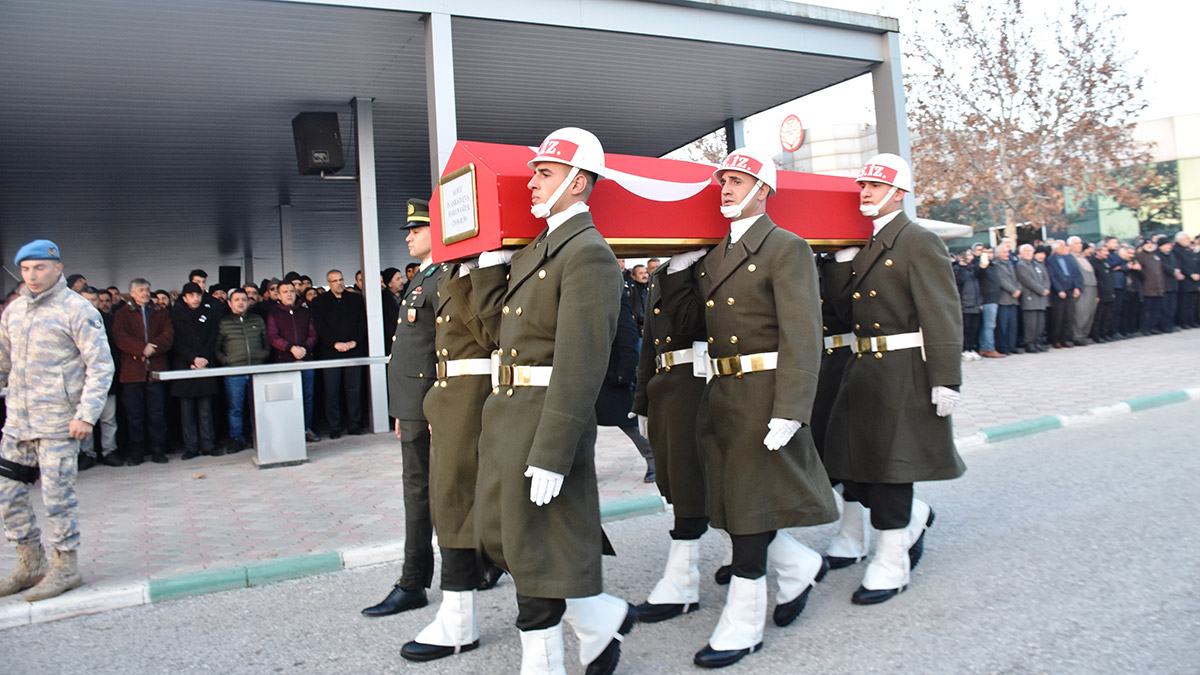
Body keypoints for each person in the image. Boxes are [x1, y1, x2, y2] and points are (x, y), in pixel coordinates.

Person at [469, 128, 634, 674]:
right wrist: (489, 264)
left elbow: (582, 362)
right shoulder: (537, 249)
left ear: (578, 182)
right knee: (513, 538)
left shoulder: (587, 254)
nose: (531, 182)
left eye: (544, 173)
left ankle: (543, 661)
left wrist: (554, 448)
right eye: (535, 171)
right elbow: (499, 333)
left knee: (533, 544)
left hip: (544, 417)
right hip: (509, 414)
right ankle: (597, 620)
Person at [663, 147, 836, 667]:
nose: (727, 188)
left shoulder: (786, 248)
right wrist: (677, 267)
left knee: (747, 508)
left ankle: (742, 624)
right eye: (724, 181)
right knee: (736, 501)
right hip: (722, 393)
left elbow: (803, 334)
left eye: (738, 180)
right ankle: (799, 564)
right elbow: (687, 325)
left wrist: (792, 407)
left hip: (764, 393)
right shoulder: (716, 254)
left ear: (763, 191)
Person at [824, 153, 963, 607]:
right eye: (862, 186)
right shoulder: (867, 245)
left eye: (875, 187)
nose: (865, 192)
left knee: (891, 469)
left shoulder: (917, 241)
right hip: (864, 370)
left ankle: (891, 562)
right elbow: (847, 313)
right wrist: (842, 264)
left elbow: (940, 312)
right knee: (851, 463)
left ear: (898, 193)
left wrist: (946, 377)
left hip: (904, 371)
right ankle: (913, 517)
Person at [398, 245, 506, 663]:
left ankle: (592, 611)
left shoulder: (485, 269)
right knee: (451, 506)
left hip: (474, 399)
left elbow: (490, 334)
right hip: (448, 401)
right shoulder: (449, 271)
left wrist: (478, 270)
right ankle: (457, 615)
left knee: (465, 507)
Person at [0, 239, 113, 601]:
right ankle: (30, 562)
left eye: (39, 268)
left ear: (57, 268)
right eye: (26, 269)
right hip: (18, 424)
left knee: (56, 498)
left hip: (59, 425)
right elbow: (4, 364)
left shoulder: (77, 310)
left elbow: (100, 366)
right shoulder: (13, 312)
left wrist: (86, 415)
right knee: (8, 494)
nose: (32, 275)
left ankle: (65, 567)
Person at [364, 199, 443, 617]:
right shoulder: (421, 278)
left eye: (417, 229)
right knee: (425, 491)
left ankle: (413, 581)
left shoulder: (443, 277)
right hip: (413, 406)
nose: (409, 236)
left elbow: (445, 348)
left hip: (429, 405)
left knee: (426, 492)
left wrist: (432, 405)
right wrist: (402, 408)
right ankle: (484, 563)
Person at [630, 258, 714, 625]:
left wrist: (682, 269)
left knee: (690, 485)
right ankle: (793, 560)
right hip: (668, 387)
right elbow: (650, 338)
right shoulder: (665, 271)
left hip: (697, 385)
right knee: (682, 483)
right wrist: (643, 402)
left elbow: (689, 323)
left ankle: (682, 582)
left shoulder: (705, 264)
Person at [596, 276, 655, 482]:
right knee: (582, 424)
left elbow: (629, 342)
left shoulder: (617, 304)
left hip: (613, 377)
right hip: (592, 376)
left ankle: (653, 460)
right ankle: (585, 468)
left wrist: (623, 375)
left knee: (629, 423)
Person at [113, 278, 174, 465]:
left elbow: (168, 334)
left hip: (155, 371)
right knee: (134, 415)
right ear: (131, 293)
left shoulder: (160, 312)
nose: (145, 293)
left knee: (157, 414)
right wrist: (141, 348)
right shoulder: (122, 313)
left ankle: (158, 450)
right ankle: (136, 452)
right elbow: (120, 336)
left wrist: (152, 348)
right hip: (132, 372)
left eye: (147, 290)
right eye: (140, 290)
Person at [310, 269, 367, 438]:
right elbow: (320, 326)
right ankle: (334, 426)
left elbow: (362, 322)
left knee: (354, 390)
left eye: (341, 279)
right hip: (330, 352)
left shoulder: (356, 299)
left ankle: (354, 423)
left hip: (353, 350)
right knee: (332, 392)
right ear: (328, 283)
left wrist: (354, 342)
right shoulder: (319, 302)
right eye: (334, 281)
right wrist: (335, 343)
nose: (339, 283)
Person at [169, 282, 222, 460]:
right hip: (185, 367)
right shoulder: (176, 315)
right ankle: (191, 447)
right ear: (184, 297)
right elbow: (176, 342)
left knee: (206, 408)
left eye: (198, 295)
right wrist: (192, 359)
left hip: (205, 364)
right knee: (187, 411)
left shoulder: (208, 313)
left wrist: (204, 358)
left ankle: (208, 444)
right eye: (191, 295)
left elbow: (213, 337)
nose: (195, 298)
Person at [215, 287, 268, 453]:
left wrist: (262, 356)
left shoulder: (257, 319)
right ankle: (237, 438)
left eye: (244, 300)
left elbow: (266, 342)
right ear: (230, 303)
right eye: (237, 300)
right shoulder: (223, 322)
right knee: (235, 408)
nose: (240, 303)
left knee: (258, 407)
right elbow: (217, 348)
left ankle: (259, 437)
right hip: (234, 372)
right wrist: (227, 361)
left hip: (257, 370)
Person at [267, 281, 319, 442]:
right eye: (284, 291)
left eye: (291, 291)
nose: (288, 294)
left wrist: (303, 348)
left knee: (307, 397)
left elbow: (313, 334)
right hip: (285, 362)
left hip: (305, 360)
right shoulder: (274, 313)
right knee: (288, 399)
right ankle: (289, 431)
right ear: (278, 295)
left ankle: (306, 428)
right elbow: (273, 336)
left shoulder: (305, 311)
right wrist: (290, 348)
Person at [77, 287, 122, 469]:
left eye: (93, 300)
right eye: (86, 300)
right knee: (86, 418)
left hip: (105, 379)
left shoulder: (109, 321)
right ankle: (87, 453)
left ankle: (109, 451)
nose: (91, 304)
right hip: (80, 380)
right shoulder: (73, 322)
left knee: (108, 418)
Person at [1015, 244, 1051, 352]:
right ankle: (1029, 343)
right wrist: (1041, 290)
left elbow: (1046, 278)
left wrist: (1046, 288)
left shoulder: (1038, 264)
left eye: (1030, 250)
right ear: (1021, 253)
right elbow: (1027, 280)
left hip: (1041, 298)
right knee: (1031, 323)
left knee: (1040, 323)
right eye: (1026, 251)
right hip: (1030, 297)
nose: (1028, 253)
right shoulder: (1021, 265)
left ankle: (1038, 342)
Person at [1047, 240, 1082, 348]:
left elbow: (1076, 273)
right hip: (1059, 291)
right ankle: (1056, 340)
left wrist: (1077, 287)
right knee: (1059, 316)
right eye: (1062, 247)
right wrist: (1059, 290)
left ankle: (1066, 339)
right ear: (1056, 249)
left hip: (1070, 289)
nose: (1064, 248)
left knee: (1068, 316)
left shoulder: (1069, 258)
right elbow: (1052, 276)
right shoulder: (1050, 260)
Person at [1068, 236, 1099, 345]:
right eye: (1076, 243)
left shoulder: (1084, 257)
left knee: (1091, 313)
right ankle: (1077, 336)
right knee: (1081, 313)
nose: (1080, 245)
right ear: (1070, 246)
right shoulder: (1070, 258)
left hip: (1092, 287)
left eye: (1080, 243)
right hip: (1082, 288)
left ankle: (1085, 334)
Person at [994, 242, 1021, 354]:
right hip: (1004, 299)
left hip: (1014, 299)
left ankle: (1012, 345)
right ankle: (1003, 347)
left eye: (1008, 252)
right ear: (998, 254)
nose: (1007, 254)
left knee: (1013, 325)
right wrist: (1013, 290)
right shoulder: (996, 264)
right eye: (1004, 252)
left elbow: (1017, 278)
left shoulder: (1010, 263)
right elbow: (1001, 280)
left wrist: (1019, 289)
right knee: (1003, 325)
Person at [380, 267, 404, 355]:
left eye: (401, 278)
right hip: (391, 342)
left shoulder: (408, 294)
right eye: (398, 279)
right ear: (389, 284)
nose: (402, 281)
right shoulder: (382, 299)